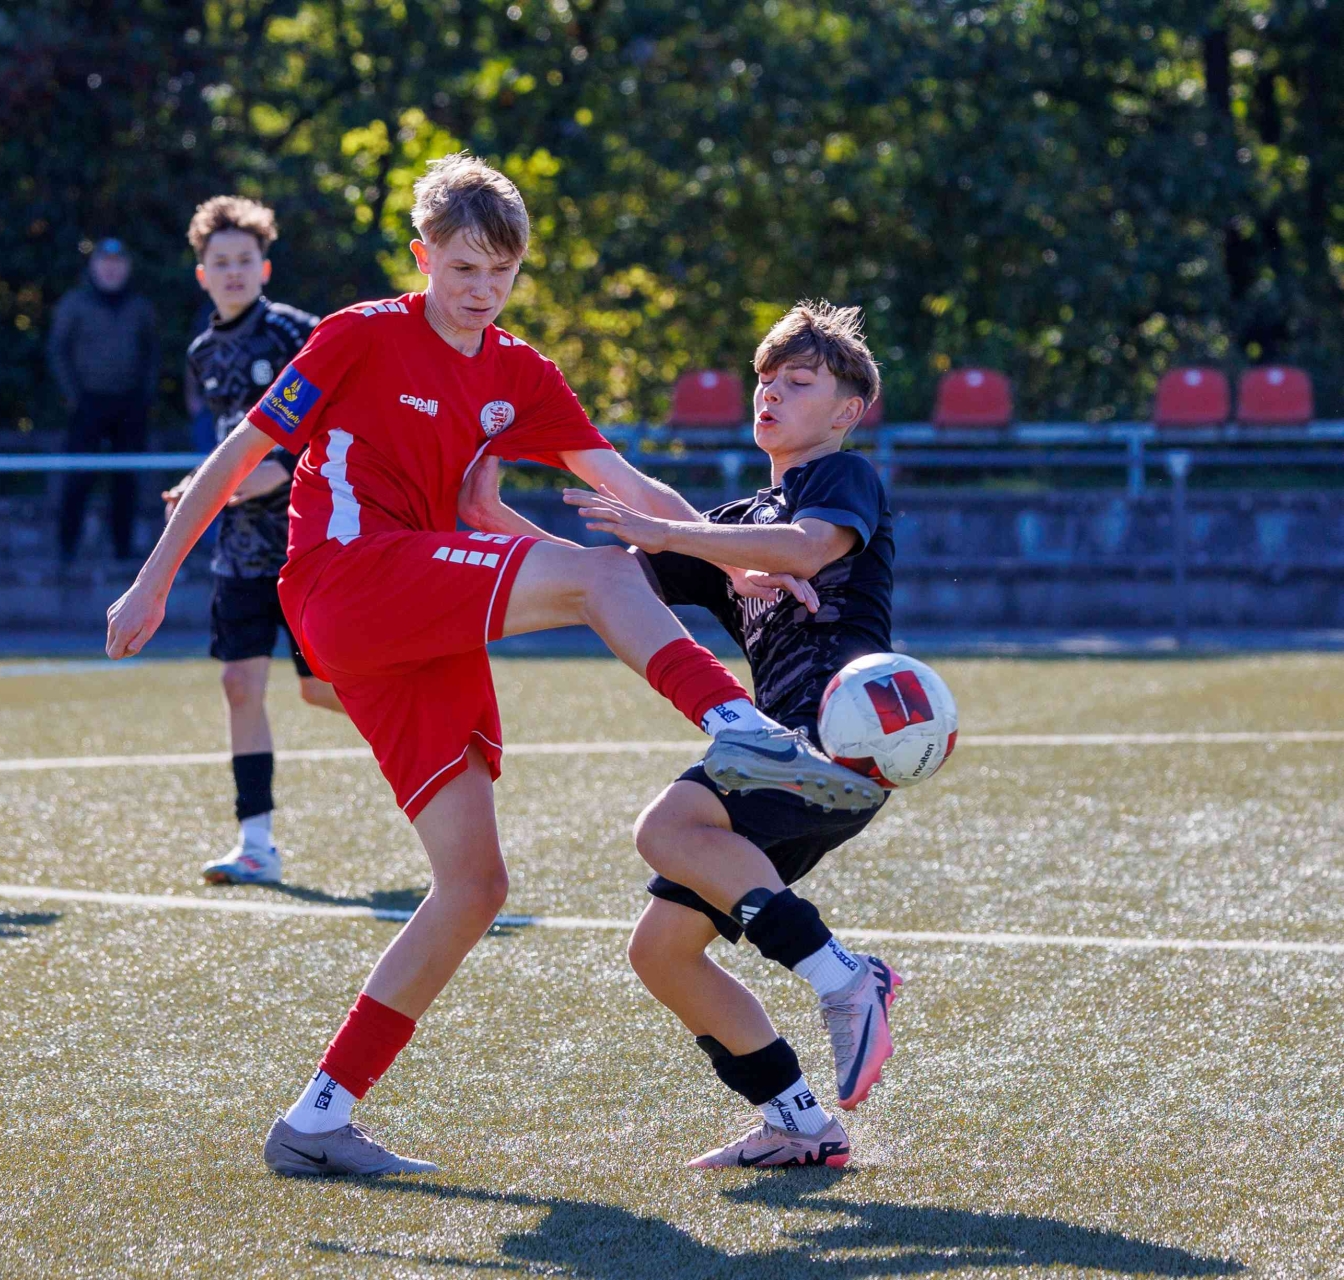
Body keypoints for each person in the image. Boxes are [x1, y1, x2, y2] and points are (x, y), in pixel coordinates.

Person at [105, 154, 882, 1177]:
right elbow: (238, 454)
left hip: (421, 627)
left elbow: (628, 484)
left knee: (473, 885)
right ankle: (744, 728)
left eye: (500, 272)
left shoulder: (519, 372)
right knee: (603, 573)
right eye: (462, 267)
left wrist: (734, 564)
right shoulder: (358, 334)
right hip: (348, 580)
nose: (480, 289)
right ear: (422, 255)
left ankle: (318, 1118)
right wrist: (153, 580)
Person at [563, 301, 902, 1168]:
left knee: (666, 828)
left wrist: (667, 528)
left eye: (799, 382)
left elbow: (808, 546)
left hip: (827, 740)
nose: (771, 394)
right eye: (765, 379)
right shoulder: (740, 521)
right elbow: (601, 580)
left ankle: (844, 977)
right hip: (783, 762)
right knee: (662, 953)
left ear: (846, 411)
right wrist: (487, 517)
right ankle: (800, 1123)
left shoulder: (842, 477)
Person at [168, 196, 345, 886]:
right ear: (202, 275)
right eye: (221, 262)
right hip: (241, 551)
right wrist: (199, 485)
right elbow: (230, 448)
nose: (234, 271)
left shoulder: (296, 333)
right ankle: (256, 843)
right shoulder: (203, 352)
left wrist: (242, 482)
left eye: (245, 260)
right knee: (239, 683)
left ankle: (431, 734)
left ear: (264, 267)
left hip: (309, 544)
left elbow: (314, 435)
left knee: (322, 691)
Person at [47, 238, 160, 561]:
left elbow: (152, 353)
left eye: (118, 263)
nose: (111, 270)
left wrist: (144, 395)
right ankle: (67, 549)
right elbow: (58, 351)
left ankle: (123, 549)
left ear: (127, 268)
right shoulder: (74, 304)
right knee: (78, 476)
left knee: (127, 478)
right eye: (105, 262)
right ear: (93, 266)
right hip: (87, 404)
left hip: (129, 405)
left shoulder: (139, 307)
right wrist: (73, 396)